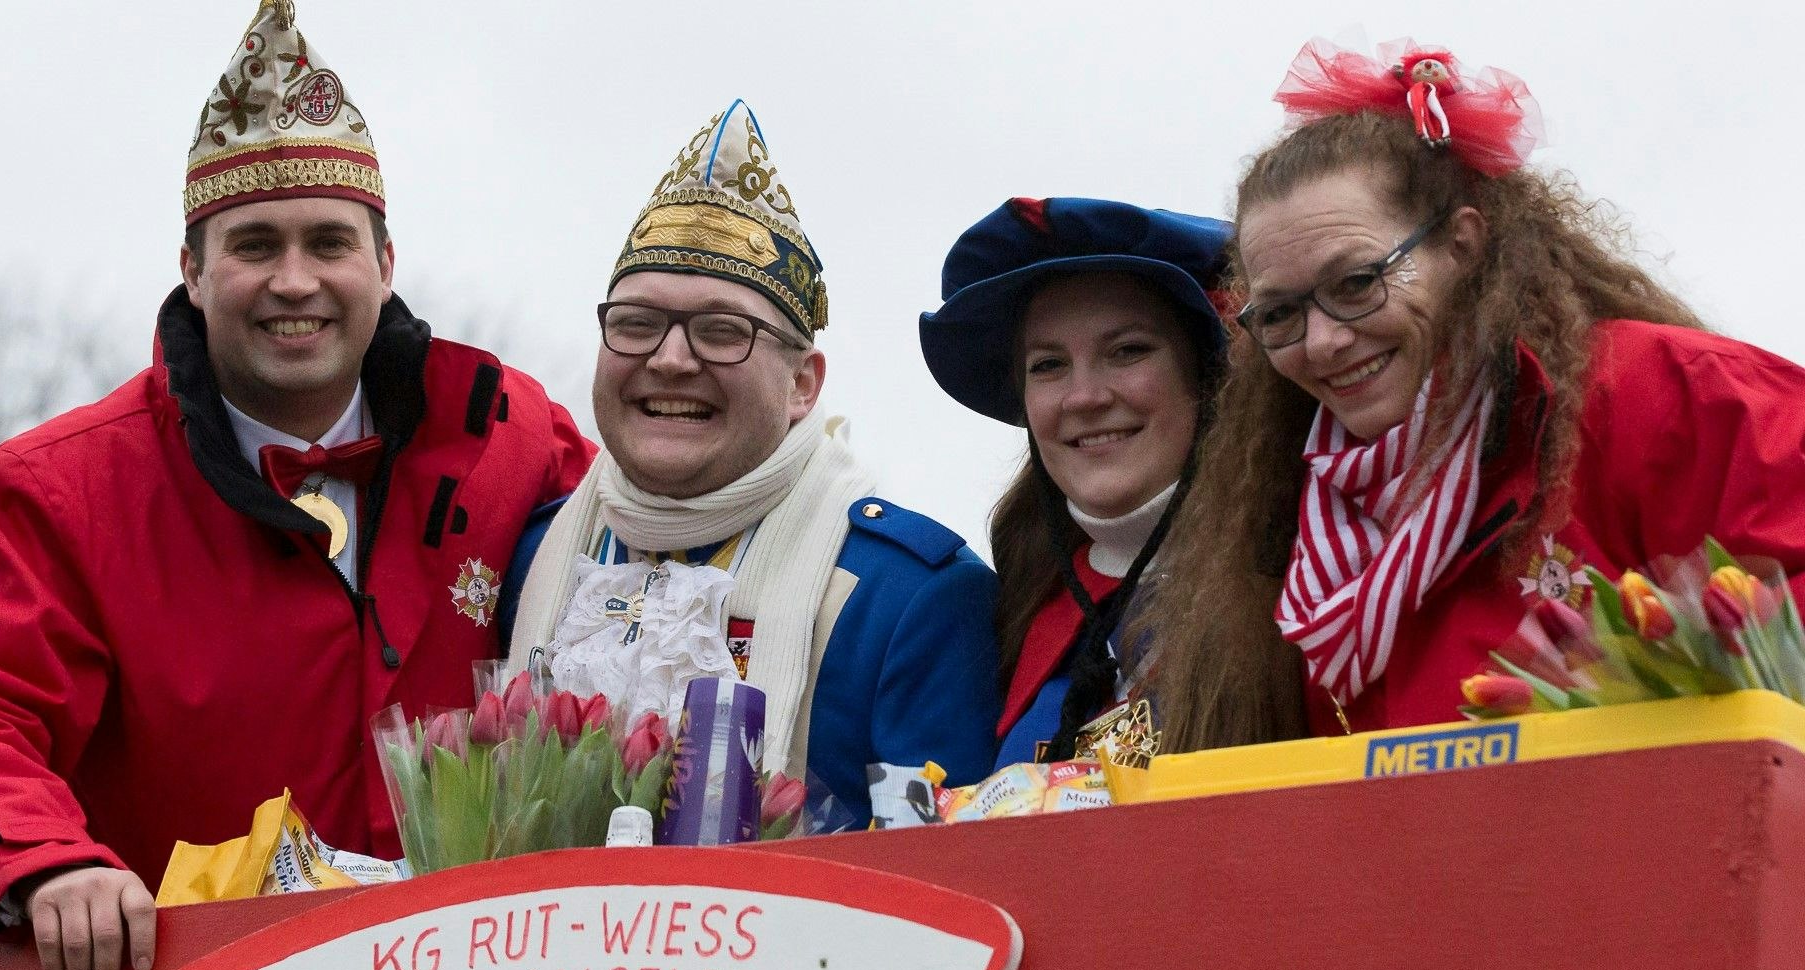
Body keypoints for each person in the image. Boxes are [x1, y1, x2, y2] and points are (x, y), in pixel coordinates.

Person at [0, 0, 592, 970]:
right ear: (193, 272)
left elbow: (658, 589)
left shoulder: (514, 434)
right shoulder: (56, 492)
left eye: (328, 244)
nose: (294, 281)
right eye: (254, 245)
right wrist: (46, 864)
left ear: (383, 267)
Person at [1139, 37, 1805, 753]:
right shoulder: (1275, 516)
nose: (1323, 340)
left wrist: (1657, 692)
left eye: (1357, 284)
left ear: (1462, 245)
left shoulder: (1661, 391)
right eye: (1279, 314)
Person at [503, 99, 1000, 830]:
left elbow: (948, 895)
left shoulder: (912, 599)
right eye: (636, 323)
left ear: (804, 384)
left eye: (721, 331)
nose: (670, 360)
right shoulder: (531, 557)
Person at [920, 198, 1229, 765]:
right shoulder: (1014, 609)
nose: (1085, 397)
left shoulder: (1298, 587)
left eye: (1128, 351)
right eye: (1048, 365)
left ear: (1206, 377)